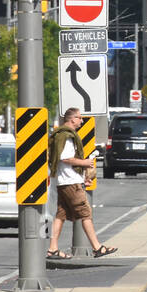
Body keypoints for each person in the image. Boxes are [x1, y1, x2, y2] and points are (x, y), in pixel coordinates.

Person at [47, 108, 117, 260]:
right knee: (86, 214)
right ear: (72, 119)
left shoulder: (60, 135)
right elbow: (66, 158)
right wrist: (84, 163)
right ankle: (97, 247)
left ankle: (53, 249)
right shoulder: (66, 136)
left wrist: (82, 175)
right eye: (79, 118)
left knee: (60, 214)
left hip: (64, 181)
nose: (82, 121)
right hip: (71, 182)